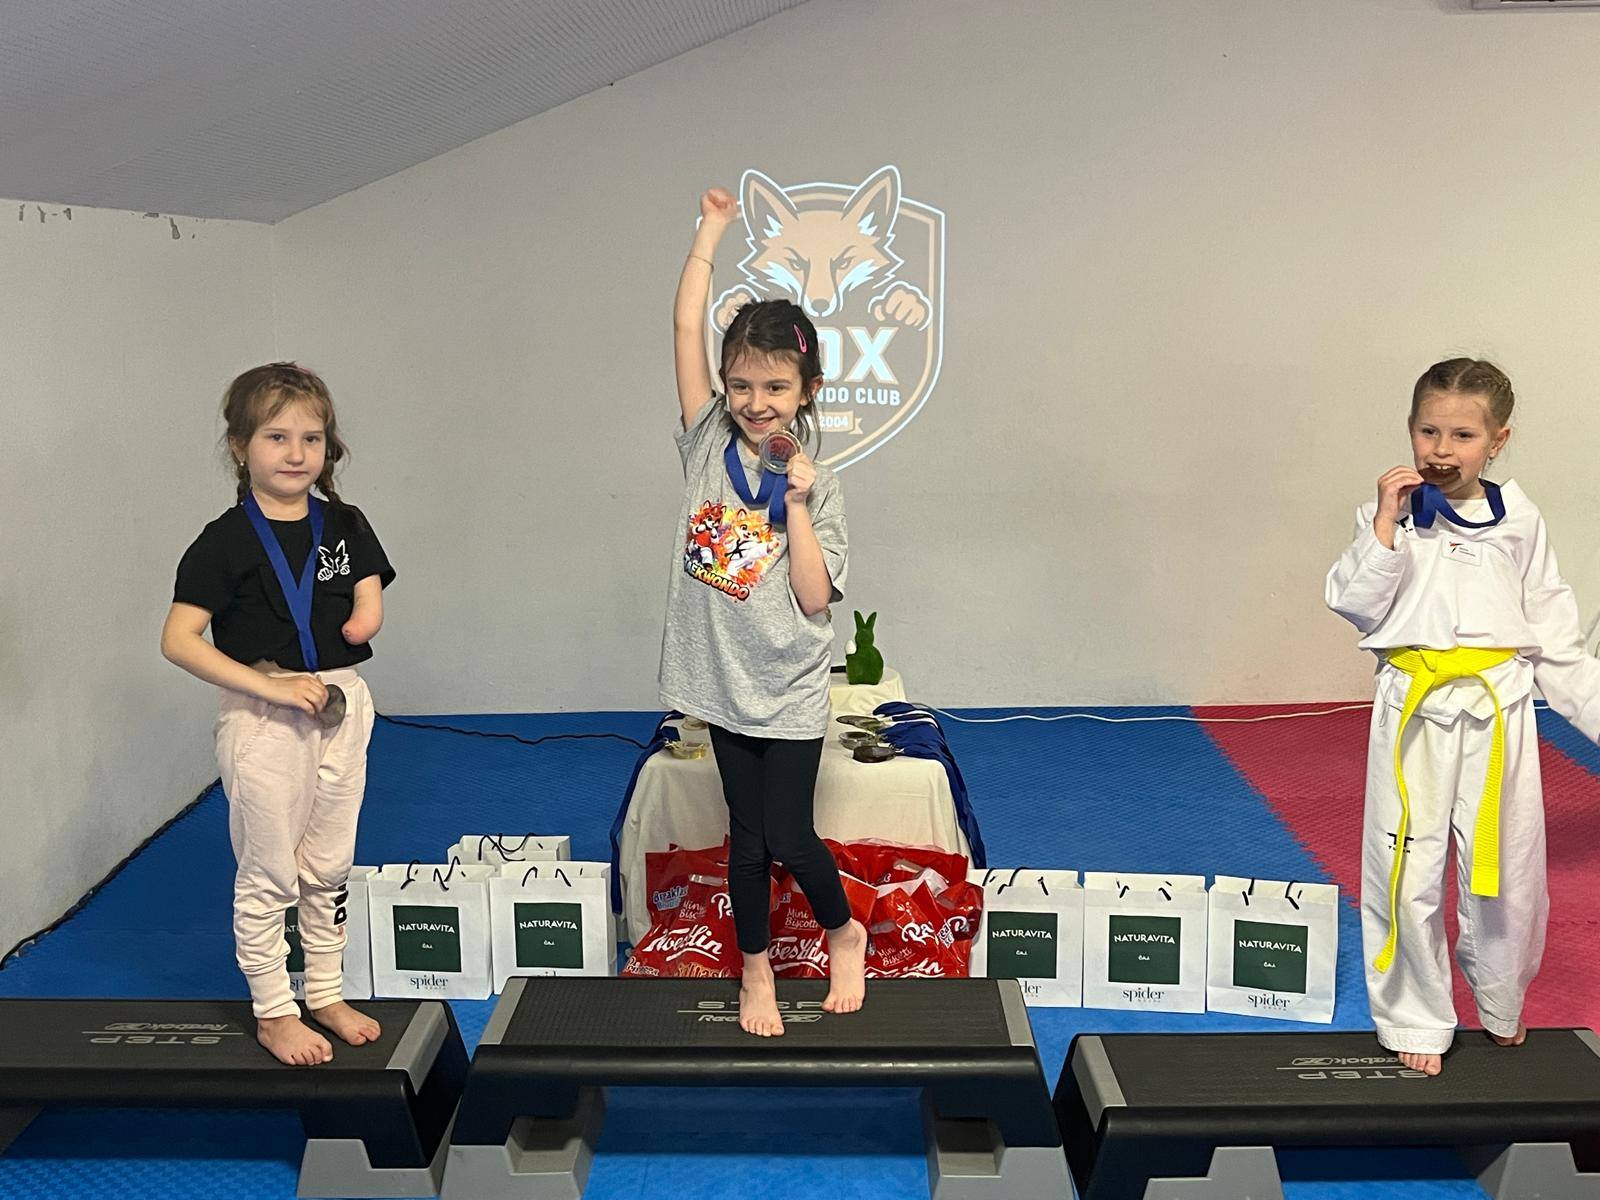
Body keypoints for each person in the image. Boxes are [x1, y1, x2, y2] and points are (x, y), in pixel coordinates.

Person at [1325, 357, 1600, 1075]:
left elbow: (1556, 638)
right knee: (1405, 865)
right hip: (1413, 709)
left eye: (1463, 436)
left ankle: (1502, 1002)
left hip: (1499, 709)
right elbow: (1354, 604)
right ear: (1409, 428)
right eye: (1428, 431)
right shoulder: (1387, 518)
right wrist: (1385, 524)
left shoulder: (1521, 520)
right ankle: (1416, 1015)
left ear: (1497, 441)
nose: (1441, 450)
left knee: (1507, 867)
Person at [661, 187, 869, 1036]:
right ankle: (756, 971)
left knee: (787, 832)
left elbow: (815, 597)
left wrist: (798, 504)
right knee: (745, 839)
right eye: (741, 384)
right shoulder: (706, 441)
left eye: (777, 386)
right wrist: (710, 231)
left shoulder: (825, 484)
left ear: (808, 389)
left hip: (787, 683)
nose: (756, 402)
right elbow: (685, 326)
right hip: (719, 678)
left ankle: (843, 931)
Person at [161, 362, 394, 1065]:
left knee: (328, 864)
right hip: (264, 715)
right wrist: (271, 688)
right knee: (270, 872)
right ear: (240, 446)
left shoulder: (344, 522)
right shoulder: (224, 541)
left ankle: (323, 991)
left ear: (329, 448)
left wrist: (367, 612)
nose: (296, 454)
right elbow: (179, 640)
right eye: (276, 437)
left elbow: (369, 581)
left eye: (311, 439)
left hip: (341, 704)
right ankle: (273, 1011)